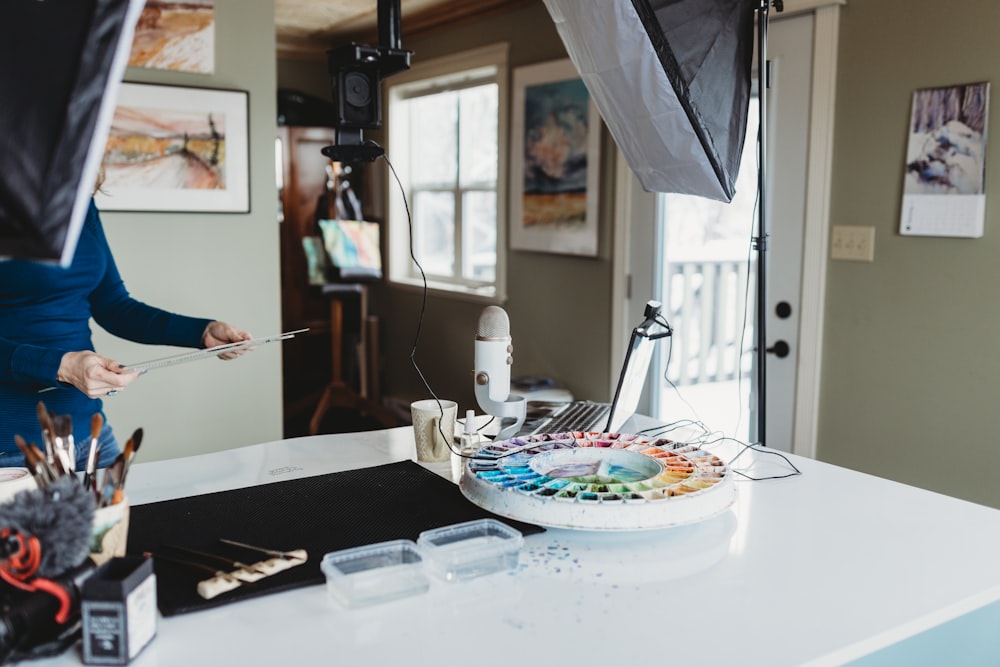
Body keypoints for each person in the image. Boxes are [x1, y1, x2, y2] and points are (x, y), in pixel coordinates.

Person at [0, 197, 251, 470]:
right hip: (12, 450)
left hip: (90, 434)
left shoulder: (81, 200)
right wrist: (60, 366)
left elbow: (113, 305)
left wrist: (201, 332)